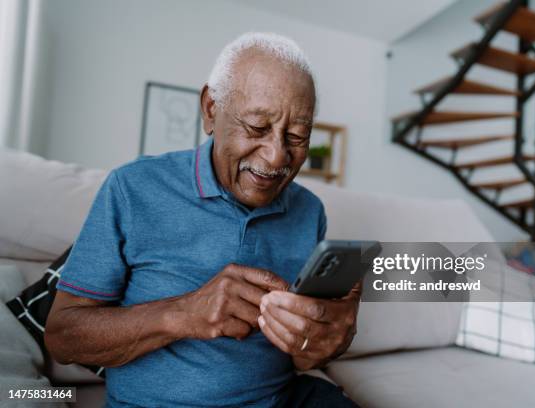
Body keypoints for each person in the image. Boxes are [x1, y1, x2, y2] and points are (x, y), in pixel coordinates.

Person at [45, 32, 360, 407]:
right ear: (211, 109)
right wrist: (183, 313)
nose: (277, 157)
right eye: (257, 128)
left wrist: (326, 340)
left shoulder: (310, 212)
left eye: (297, 136)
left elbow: (303, 356)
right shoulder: (132, 189)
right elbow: (62, 337)